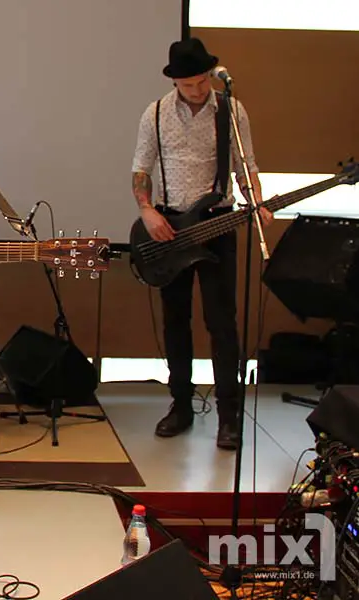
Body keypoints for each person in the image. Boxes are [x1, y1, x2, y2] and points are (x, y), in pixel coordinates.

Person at [131, 38, 271, 450]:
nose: (197, 90)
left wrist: (257, 202)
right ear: (174, 81)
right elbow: (141, 168)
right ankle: (181, 406)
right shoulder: (155, 113)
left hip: (217, 223)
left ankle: (229, 416)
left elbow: (246, 165)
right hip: (170, 226)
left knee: (222, 322)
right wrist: (147, 211)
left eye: (202, 81)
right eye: (188, 84)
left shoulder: (231, 110)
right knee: (176, 321)